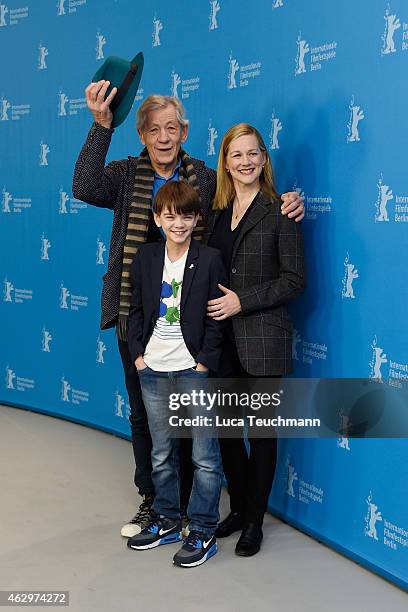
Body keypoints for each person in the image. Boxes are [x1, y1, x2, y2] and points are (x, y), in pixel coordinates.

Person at [72, 81, 305, 538]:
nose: (164, 136)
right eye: (155, 129)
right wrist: (101, 126)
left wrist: (290, 200)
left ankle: (190, 506)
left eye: (172, 128)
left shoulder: (202, 176)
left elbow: (249, 200)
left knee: (193, 419)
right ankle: (154, 502)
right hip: (134, 312)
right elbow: (83, 185)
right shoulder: (124, 175)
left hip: (197, 319)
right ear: (141, 135)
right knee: (145, 414)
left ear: (184, 132)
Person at [206, 123, 306, 556]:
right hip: (220, 340)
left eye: (253, 154)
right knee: (228, 432)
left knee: (261, 435)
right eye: (236, 155)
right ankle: (240, 507)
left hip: (263, 339)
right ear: (225, 163)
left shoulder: (281, 210)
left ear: (264, 159)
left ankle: (253, 523)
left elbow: (294, 280)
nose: (245, 162)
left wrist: (241, 303)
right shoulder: (213, 213)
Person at [126, 181, 226, 567]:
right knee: (162, 452)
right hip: (153, 369)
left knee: (204, 454)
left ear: (196, 218)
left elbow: (217, 318)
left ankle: (202, 529)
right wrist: (138, 356)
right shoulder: (146, 257)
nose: (178, 222)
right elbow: (135, 309)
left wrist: (203, 362)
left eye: (186, 215)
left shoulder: (210, 257)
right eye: (170, 215)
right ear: (157, 219)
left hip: (192, 369)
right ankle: (168, 519)